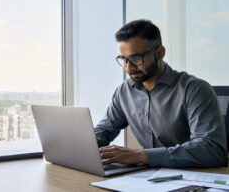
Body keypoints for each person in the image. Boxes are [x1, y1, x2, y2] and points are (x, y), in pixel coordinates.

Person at [94, 19, 227, 168]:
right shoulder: (124, 91)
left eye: (136, 58)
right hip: (149, 176)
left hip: (195, 177)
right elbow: (104, 130)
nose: (129, 68)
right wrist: (82, 145)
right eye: (124, 59)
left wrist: (141, 155)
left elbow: (212, 150)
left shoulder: (195, 89)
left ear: (159, 53)